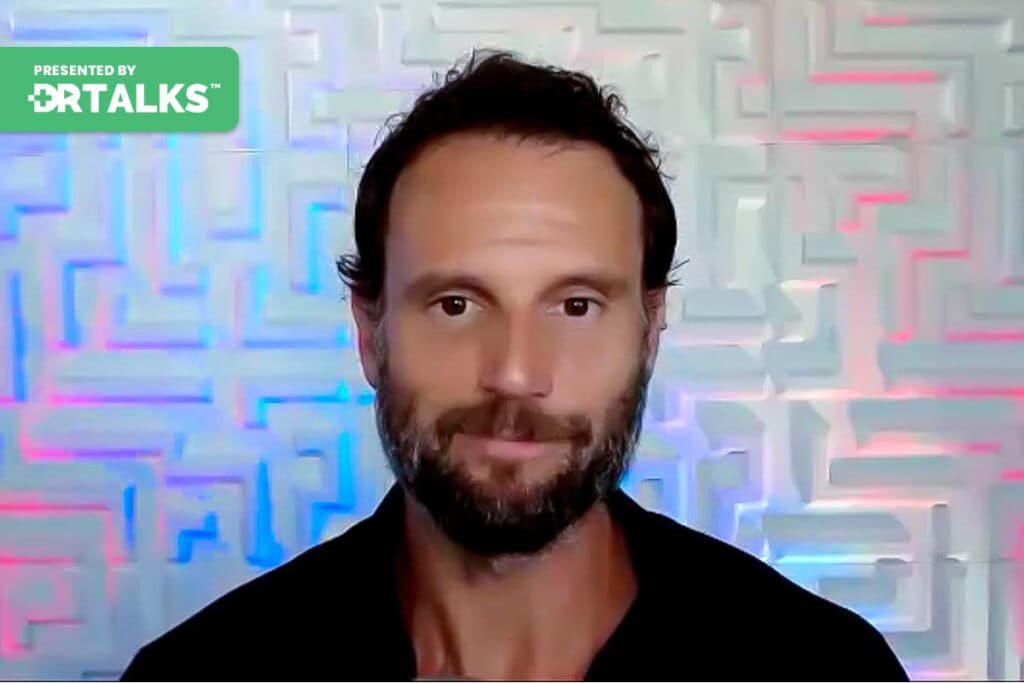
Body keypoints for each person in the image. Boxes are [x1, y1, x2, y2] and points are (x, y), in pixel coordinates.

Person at [121, 49, 909, 681]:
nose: (515, 371)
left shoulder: (823, 667)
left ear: (650, 328)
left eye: (576, 305)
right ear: (370, 330)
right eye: (456, 304)